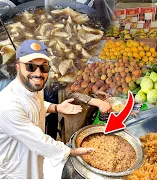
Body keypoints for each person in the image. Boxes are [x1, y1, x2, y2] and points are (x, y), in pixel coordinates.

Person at [0, 40, 100, 178]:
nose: (38, 73)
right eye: (30, 66)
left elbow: (35, 105)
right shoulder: (8, 105)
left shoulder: (34, 88)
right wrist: (71, 151)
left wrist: (56, 107)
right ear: (17, 67)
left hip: (35, 159)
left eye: (44, 67)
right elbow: (39, 141)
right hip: (16, 170)